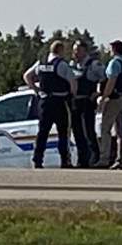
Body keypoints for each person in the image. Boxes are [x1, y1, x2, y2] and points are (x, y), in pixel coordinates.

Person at [23, 40, 78, 168]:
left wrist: (36, 90)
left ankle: (37, 160)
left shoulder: (41, 63)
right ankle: (65, 161)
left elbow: (27, 76)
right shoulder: (62, 65)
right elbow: (72, 82)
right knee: (63, 133)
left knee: (42, 132)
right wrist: (72, 95)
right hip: (59, 102)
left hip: (44, 102)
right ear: (60, 50)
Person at [98, 39, 122, 169]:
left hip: (113, 99)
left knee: (105, 129)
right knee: (120, 132)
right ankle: (121, 160)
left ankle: (104, 158)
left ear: (114, 49)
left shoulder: (115, 63)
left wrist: (104, 97)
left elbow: (111, 81)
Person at [69, 40, 106, 168]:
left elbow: (105, 78)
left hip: (87, 102)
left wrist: (98, 93)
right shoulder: (72, 65)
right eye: (74, 50)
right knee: (77, 133)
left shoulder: (93, 64)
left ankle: (94, 158)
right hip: (75, 103)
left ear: (84, 51)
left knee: (88, 131)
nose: (75, 53)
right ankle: (82, 159)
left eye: (78, 50)